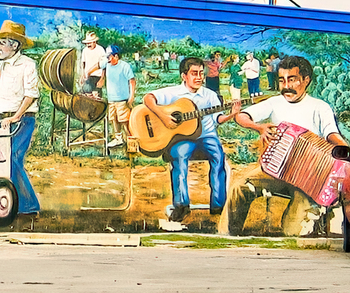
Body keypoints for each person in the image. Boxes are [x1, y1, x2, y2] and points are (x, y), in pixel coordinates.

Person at [219, 55, 348, 237]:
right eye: (282, 80)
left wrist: (346, 151)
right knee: (240, 187)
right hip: (276, 170)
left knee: (293, 232)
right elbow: (242, 116)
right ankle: (227, 237)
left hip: (308, 180)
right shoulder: (274, 103)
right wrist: (259, 127)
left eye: (292, 80)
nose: (286, 86)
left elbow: (331, 135)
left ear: (306, 80)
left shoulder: (320, 107)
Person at [143, 57, 240, 223]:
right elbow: (148, 98)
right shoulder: (173, 93)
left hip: (207, 137)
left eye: (201, 73)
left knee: (218, 156)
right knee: (179, 156)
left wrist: (232, 114)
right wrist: (164, 117)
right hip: (184, 138)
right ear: (184, 76)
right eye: (194, 73)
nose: (199, 77)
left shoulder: (210, 95)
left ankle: (218, 205)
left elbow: (218, 119)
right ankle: (181, 205)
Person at [0, 20, 40, 217]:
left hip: (21, 120)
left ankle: (28, 205)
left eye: (2, 42)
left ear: (15, 45)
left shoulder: (27, 64)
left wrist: (16, 117)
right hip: (2, 120)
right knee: (2, 161)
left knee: (13, 158)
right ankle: (11, 202)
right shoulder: (2, 66)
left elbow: (31, 95)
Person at [87, 45, 135, 149]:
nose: (108, 59)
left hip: (122, 99)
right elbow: (98, 65)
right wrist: (88, 72)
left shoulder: (125, 66)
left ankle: (130, 140)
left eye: (109, 56)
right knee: (114, 119)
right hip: (111, 99)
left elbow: (132, 81)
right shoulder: (107, 64)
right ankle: (118, 138)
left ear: (116, 56)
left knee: (124, 121)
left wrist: (131, 97)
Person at [79, 31, 105, 96]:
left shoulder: (100, 50)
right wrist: (82, 75)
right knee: (86, 95)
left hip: (97, 76)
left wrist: (102, 79)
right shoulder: (85, 50)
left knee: (96, 97)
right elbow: (83, 63)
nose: (88, 45)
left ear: (94, 42)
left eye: (90, 43)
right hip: (88, 77)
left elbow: (104, 66)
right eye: (87, 43)